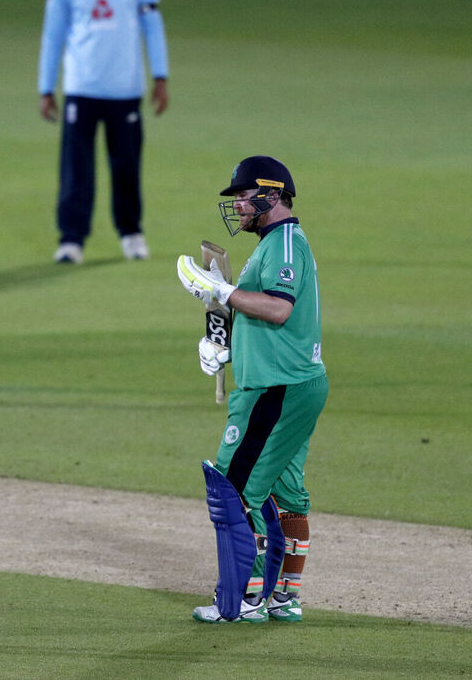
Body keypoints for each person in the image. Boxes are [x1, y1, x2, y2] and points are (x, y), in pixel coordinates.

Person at [176, 155, 328, 624]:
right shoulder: (276, 243)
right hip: (290, 382)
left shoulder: (283, 244)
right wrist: (226, 352)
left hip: (275, 390)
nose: (238, 205)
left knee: (235, 489)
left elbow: (279, 309)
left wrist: (220, 293)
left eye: (244, 197)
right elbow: (269, 322)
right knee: (287, 493)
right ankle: (284, 596)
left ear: (272, 195)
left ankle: (245, 598)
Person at [38, 0, 170, 264]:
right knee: (76, 170)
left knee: (126, 166)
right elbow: (53, 35)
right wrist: (46, 88)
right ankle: (71, 240)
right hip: (81, 88)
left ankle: (131, 233)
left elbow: (153, 26)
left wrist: (160, 76)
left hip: (125, 89)